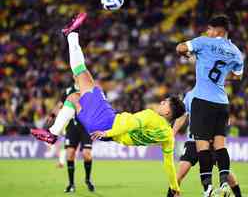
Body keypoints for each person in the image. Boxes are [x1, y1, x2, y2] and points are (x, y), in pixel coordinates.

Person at [31, 13, 185, 197]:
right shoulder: (168, 135)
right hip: (106, 128)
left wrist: (107, 132)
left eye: (164, 102)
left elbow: (130, 124)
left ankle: (71, 34)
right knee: (74, 96)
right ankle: (53, 132)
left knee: (82, 75)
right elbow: (168, 164)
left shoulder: (151, 116)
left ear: (167, 111)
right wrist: (174, 187)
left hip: (107, 124)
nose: (161, 102)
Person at [176, 15, 244, 197]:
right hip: (222, 103)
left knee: (203, 147)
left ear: (218, 30)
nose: (207, 32)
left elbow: (180, 47)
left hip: (202, 101)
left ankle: (207, 188)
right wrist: (221, 77)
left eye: (209, 29)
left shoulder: (204, 42)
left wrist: (188, 54)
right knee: (220, 146)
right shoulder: (236, 52)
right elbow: (237, 76)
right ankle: (223, 184)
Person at [173, 91, 242, 197]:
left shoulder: (217, 94)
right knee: (178, 175)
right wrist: (173, 133)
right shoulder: (190, 95)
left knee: (227, 175)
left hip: (211, 142)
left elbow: (225, 118)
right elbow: (182, 115)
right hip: (192, 141)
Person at [46, 83, 95, 193]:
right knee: (70, 154)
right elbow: (60, 105)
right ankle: (71, 184)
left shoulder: (89, 89)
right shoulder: (69, 90)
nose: (76, 76)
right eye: (74, 75)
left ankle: (87, 179)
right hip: (72, 127)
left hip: (86, 127)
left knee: (87, 154)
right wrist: (52, 115)